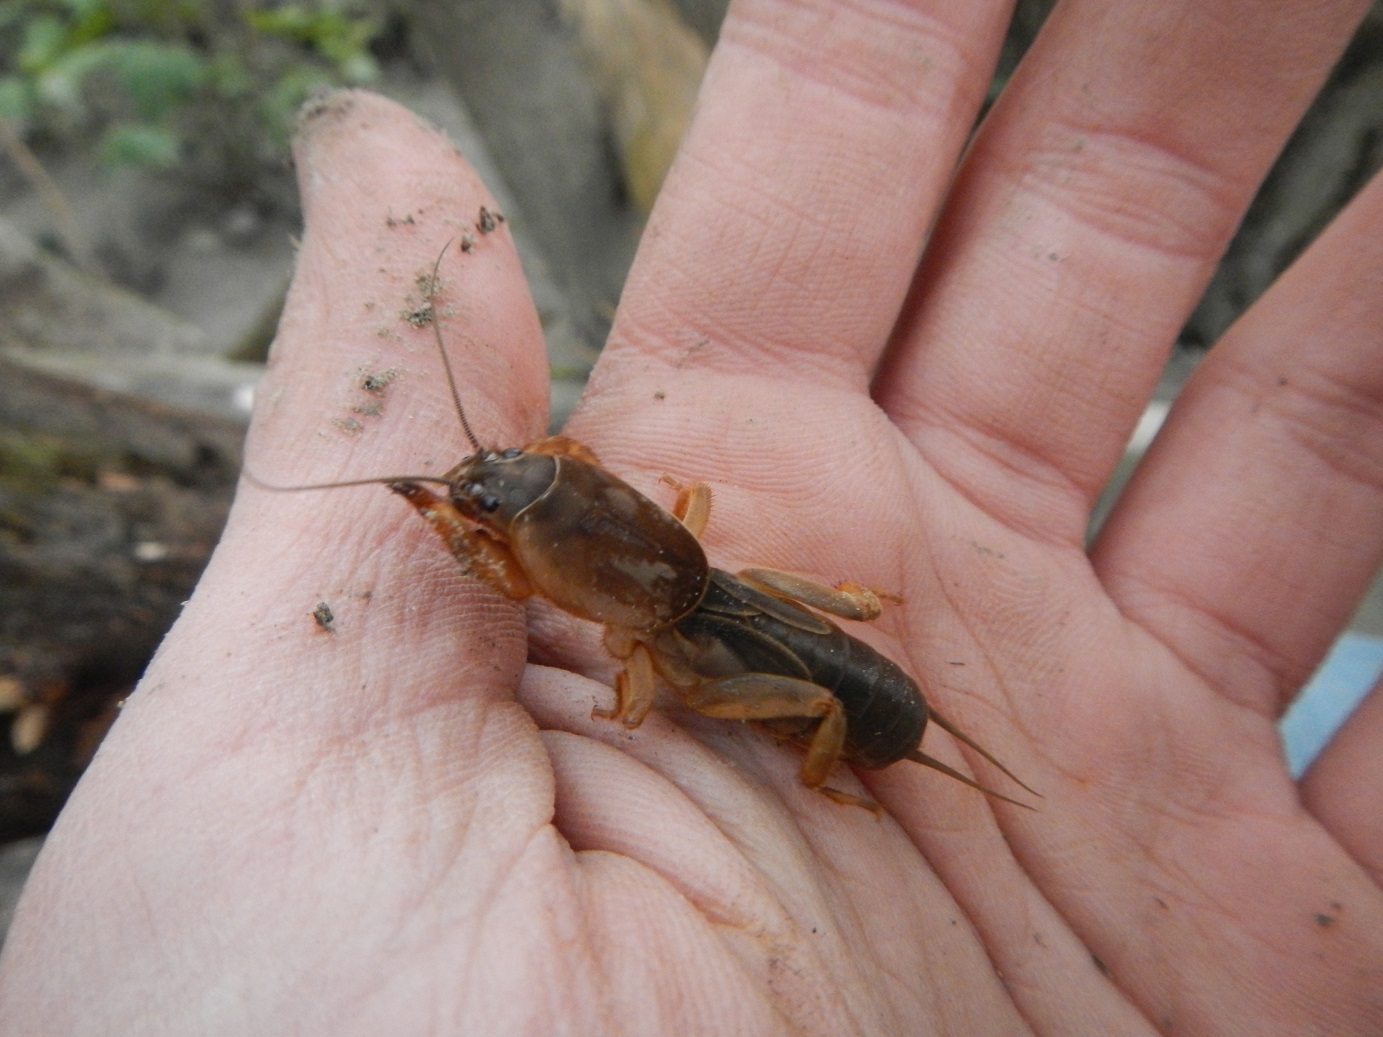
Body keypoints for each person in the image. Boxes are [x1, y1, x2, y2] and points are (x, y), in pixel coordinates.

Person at [3, 2, 1381, 1032]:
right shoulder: (583, 510)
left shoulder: (576, 569)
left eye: (507, 491)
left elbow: (596, 643)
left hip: (738, 638)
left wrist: (503, 536)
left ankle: (835, 769)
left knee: (815, 694)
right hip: (710, 593)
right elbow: (569, 497)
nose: (497, 494)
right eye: (501, 493)